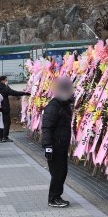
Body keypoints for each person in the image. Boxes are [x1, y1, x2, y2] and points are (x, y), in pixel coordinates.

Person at [42, 77, 73, 208]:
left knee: (62, 171)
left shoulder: (64, 105)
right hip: (55, 146)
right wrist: (48, 146)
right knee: (58, 173)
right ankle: (53, 198)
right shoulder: (53, 107)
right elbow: (47, 127)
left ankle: (57, 195)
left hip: (62, 145)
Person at [0, 75, 30, 142]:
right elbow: (13, 92)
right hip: (4, 107)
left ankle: (1, 137)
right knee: (6, 122)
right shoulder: (3, 87)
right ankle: (4, 137)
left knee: (2, 122)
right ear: (2, 80)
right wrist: (25, 93)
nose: (7, 81)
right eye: (6, 80)